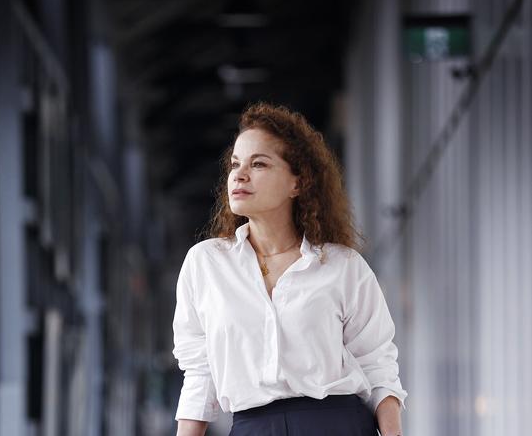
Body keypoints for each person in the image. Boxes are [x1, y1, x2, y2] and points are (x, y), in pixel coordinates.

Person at [172, 102, 407, 436]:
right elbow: (199, 372)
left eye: (259, 164)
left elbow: (378, 366)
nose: (240, 175)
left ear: (297, 183)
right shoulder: (206, 264)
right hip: (252, 427)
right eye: (235, 164)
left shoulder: (342, 266)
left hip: (338, 425)